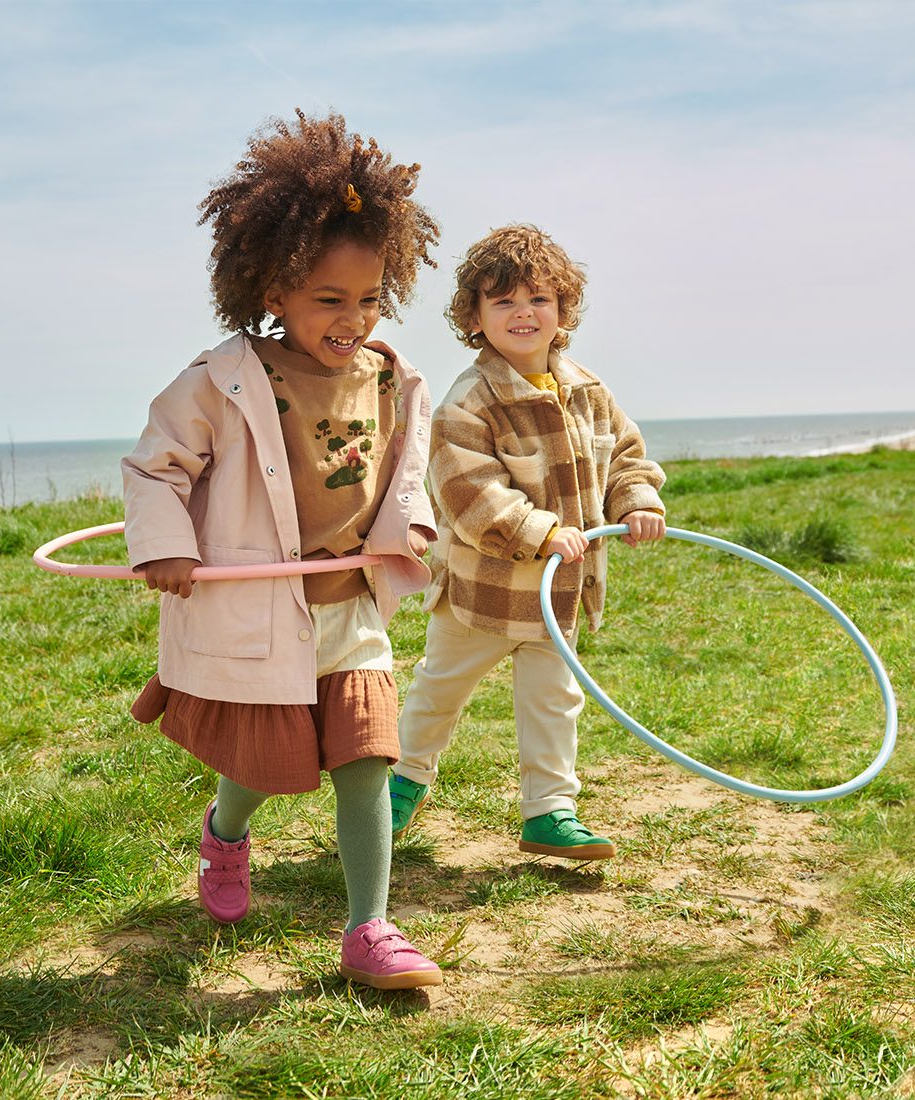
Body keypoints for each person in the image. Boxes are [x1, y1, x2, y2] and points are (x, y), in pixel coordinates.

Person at [122, 110, 444, 989]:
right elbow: (155, 470)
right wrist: (165, 546)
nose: (353, 319)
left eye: (371, 297)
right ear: (273, 292)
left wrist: (408, 526)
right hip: (262, 607)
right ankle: (227, 835)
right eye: (328, 300)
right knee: (265, 765)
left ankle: (369, 929)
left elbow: (407, 465)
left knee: (367, 762)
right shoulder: (224, 380)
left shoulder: (391, 376)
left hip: (349, 604)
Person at [389, 224, 666, 861]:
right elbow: (468, 492)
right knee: (439, 689)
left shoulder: (589, 392)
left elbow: (625, 457)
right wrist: (538, 531)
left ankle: (549, 811)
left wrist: (636, 502)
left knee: (554, 700)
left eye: (539, 299)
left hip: (560, 594)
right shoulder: (469, 401)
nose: (523, 313)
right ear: (474, 316)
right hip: (483, 596)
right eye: (503, 301)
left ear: (563, 311)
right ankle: (403, 780)